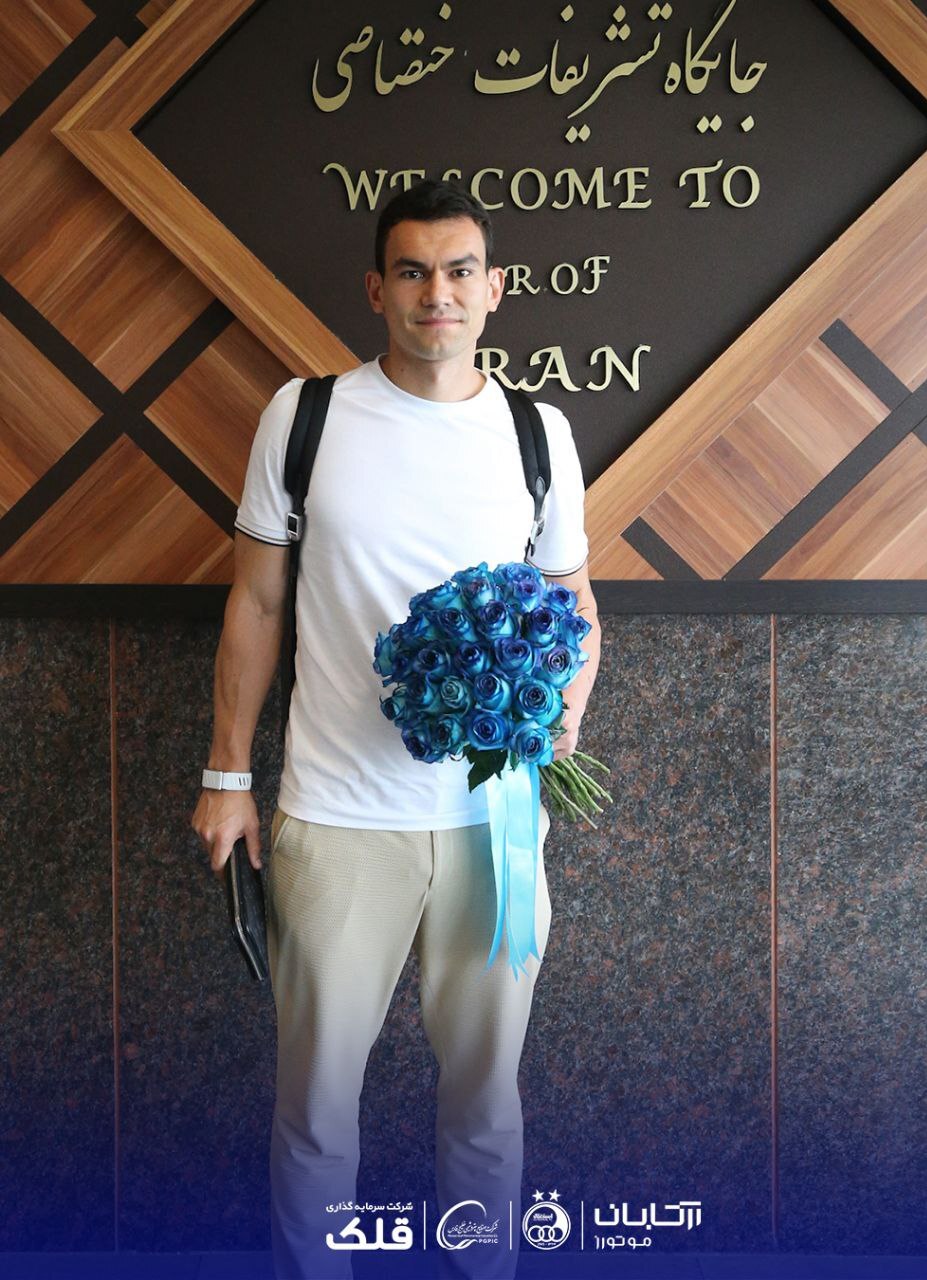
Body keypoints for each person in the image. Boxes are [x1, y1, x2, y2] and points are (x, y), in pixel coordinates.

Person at [191, 179, 602, 1280]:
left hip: (491, 824)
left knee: (486, 1105)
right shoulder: (306, 416)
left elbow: (573, 605)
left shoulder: (537, 433)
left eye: (460, 271)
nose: (438, 294)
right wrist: (226, 776)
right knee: (316, 1111)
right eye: (413, 272)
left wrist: (555, 723)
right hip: (336, 819)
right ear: (377, 290)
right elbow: (256, 604)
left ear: (494, 288)